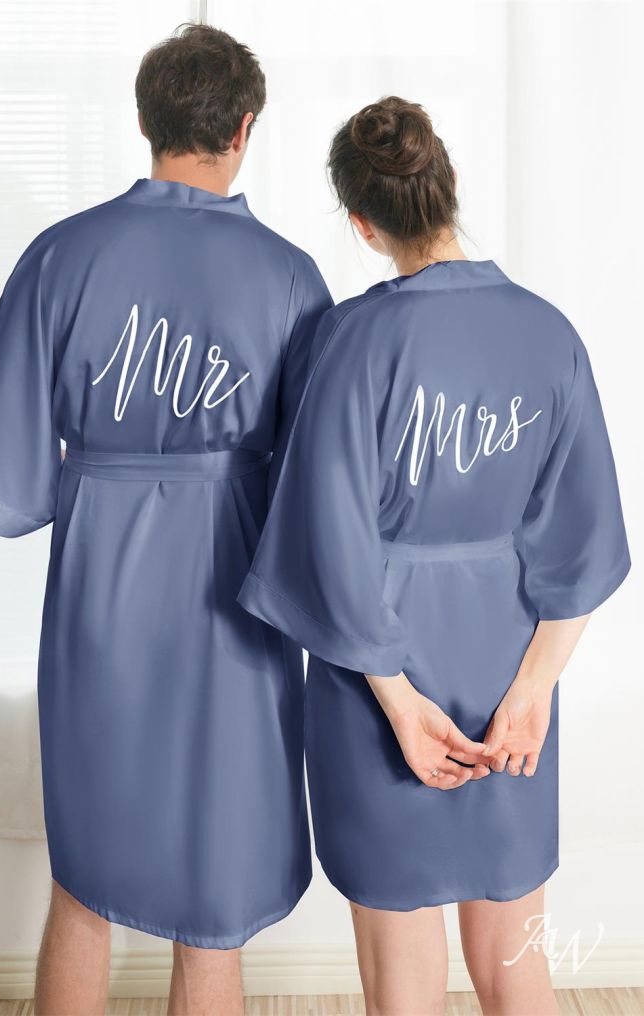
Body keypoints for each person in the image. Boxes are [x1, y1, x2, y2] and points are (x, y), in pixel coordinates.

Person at [0, 24, 331, 1016]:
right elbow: (320, 489)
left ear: (142, 119)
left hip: (100, 602)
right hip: (235, 608)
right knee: (212, 910)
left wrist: (100, 470)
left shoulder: (60, 256)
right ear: (244, 128)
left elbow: (4, 478)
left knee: (84, 887)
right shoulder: (290, 278)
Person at [238, 97, 630, 1015]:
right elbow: (584, 538)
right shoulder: (548, 334)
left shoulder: (350, 340)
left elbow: (325, 542)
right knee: (515, 963)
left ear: (363, 223)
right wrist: (532, 691)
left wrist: (400, 704)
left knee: (402, 985)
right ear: (448, 185)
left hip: (379, 670)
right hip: (507, 669)